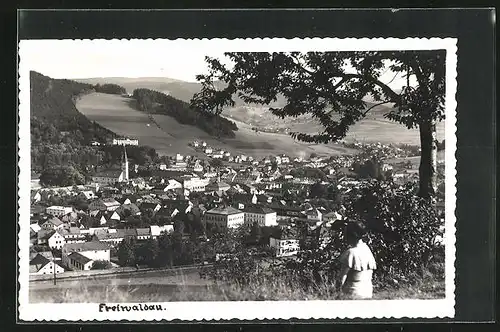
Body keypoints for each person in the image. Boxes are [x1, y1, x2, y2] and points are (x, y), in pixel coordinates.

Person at [338, 220, 377, 299]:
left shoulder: (350, 253)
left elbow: (341, 279)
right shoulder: (367, 249)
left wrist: (336, 293)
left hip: (353, 293)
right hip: (368, 292)